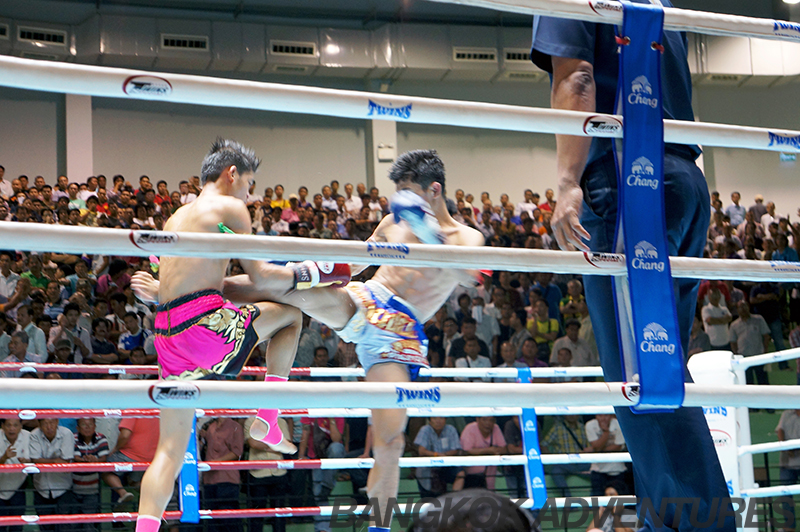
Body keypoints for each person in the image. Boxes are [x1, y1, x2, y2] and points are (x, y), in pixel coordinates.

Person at [134, 149, 483, 532]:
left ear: (434, 191)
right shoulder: (391, 222)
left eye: (409, 194)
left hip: (396, 336)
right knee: (284, 287)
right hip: (362, 298)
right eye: (397, 194)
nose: (401, 204)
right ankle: (183, 296)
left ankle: (380, 528)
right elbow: (358, 262)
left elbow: (470, 275)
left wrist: (429, 232)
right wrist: (323, 273)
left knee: (390, 443)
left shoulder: (466, 237)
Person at [531, 2, 734, 529]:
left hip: (630, 180)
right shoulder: (651, 2)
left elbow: (576, 76)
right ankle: (659, 522)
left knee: (641, 374)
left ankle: (700, 525)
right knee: (657, 362)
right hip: (684, 180)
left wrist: (568, 181)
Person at [129, 139, 328, 532]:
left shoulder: (176, 217)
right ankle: (268, 418)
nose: (250, 196)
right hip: (204, 328)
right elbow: (262, 276)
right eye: (250, 185)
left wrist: (157, 292)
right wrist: (314, 273)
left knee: (168, 450)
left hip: (168, 337)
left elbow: (182, 278)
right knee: (290, 317)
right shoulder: (230, 208)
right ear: (231, 174)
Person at [414, 417, 465, 498]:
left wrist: (444, 455)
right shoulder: (425, 430)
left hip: (447, 464)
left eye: (441, 418)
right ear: (430, 421)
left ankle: (454, 500)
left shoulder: (451, 429)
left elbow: (455, 450)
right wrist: (436, 455)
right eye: (434, 418)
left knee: (460, 473)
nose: (438, 421)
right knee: (422, 475)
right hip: (429, 466)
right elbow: (421, 451)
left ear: (445, 420)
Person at [0, 418, 31, 532]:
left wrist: (29, 463)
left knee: (17, 526)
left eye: (15, 425)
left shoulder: (28, 436)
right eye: (8, 425)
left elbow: (35, 460)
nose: (12, 428)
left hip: (19, 487)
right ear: (2, 426)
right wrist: (4, 458)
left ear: (21, 426)